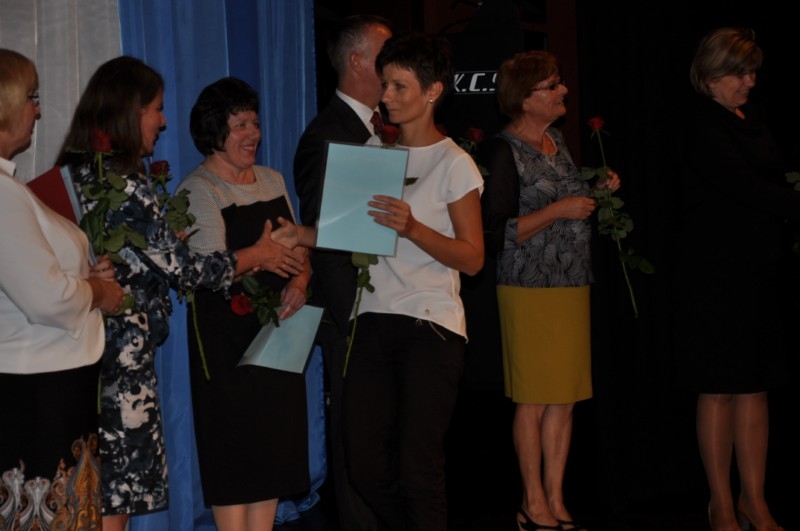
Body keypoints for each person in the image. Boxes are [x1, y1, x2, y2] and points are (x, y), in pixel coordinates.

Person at [54, 56, 305, 531]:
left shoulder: (82, 173)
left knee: (99, 487)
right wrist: (257, 254)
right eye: (156, 109)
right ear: (130, 112)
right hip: (120, 358)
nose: (162, 120)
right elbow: (189, 273)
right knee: (115, 490)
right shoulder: (125, 184)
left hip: (86, 349)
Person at [480, 50, 620, 531]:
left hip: (571, 283)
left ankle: (557, 500)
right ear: (525, 98)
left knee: (564, 397)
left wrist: (595, 193)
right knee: (534, 398)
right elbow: (495, 232)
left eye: (561, 83)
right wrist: (559, 210)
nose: (564, 91)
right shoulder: (504, 151)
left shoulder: (556, 140)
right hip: (528, 288)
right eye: (553, 85)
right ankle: (531, 501)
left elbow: (567, 204)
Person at [675, 27, 798, 531]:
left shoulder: (752, 118)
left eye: (752, 73)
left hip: (760, 269)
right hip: (716, 274)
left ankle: (755, 500)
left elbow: (771, 180)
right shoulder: (701, 124)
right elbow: (745, 186)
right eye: (740, 73)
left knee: (755, 386)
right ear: (711, 76)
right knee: (719, 387)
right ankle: (721, 504)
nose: (750, 81)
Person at [176, 76, 311, 531]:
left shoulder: (272, 179)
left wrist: (301, 280)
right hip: (226, 344)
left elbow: (299, 247)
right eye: (240, 125)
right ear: (215, 132)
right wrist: (262, 255)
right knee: (235, 458)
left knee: (271, 455)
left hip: (278, 337)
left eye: (255, 123)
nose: (253, 133)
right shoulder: (198, 190)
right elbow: (210, 270)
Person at [0, 48, 124, 530]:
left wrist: (86, 277)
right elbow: (45, 297)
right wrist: (100, 293)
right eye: (32, 97)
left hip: (46, 384)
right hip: (37, 390)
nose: (38, 110)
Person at [293, 13, 392, 531]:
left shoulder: (386, 127)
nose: (395, 69)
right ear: (356, 62)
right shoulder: (326, 135)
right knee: (355, 436)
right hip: (352, 314)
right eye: (385, 57)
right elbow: (323, 237)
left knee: (386, 436)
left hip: (391, 306)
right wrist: (350, 317)